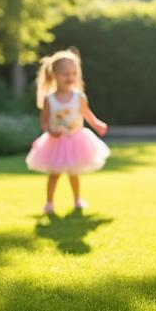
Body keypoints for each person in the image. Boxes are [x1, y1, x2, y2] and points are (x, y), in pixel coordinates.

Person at [25, 49, 110, 214]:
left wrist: (98, 124)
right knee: (54, 174)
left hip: (76, 140)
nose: (70, 77)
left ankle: (77, 199)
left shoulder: (79, 97)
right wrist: (50, 130)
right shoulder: (50, 100)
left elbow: (87, 114)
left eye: (73, 73)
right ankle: (49, 203)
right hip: (56, 142)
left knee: (74, 173)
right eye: (65, 74)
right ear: (55, 75)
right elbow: (44, 121)